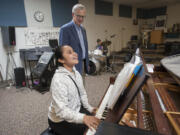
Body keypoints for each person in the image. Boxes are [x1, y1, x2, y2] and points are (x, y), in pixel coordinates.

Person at [48, 45, 100, 135]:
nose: (75, 53)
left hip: (75, 109)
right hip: (60, 120)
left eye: (73, 51)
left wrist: (89, 108)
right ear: (61, 60)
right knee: (94, 130)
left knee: (98, 121)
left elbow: (82, 94)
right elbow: (61, 111)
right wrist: (84, 118)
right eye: (69, 52)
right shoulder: (58, 80)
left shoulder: (76, 73)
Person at [59, 4, 89, 75]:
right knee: (73, 85)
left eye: (83, 16)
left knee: (81, 85)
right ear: (73, 14)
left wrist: (87, 63)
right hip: (72, 66)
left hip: (83, 63)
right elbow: (63, 51)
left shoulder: (83, 29)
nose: (81, 19)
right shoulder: (65, 29)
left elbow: (84, 47)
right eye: (78, 16)